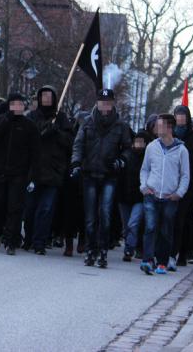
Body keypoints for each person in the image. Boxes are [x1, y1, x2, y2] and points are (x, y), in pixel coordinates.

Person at [71, 89, 132, 268]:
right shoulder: (88, 122)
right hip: (89, 173)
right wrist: (76, 163)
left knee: (105, 214)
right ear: (97, 103)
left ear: (113, 104)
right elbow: (78, 144)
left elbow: (128, 148)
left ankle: (103, 250)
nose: (105, 106)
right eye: (102, 102)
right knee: (90, 217)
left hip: (109, 175)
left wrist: (121, 160)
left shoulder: (120, 125)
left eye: (108, 102)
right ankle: (91, 249)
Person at [0, 92, 40, 255]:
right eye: (14, 104)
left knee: (14, 207)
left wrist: (32, 176)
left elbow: (35, 152)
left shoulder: (29, 125)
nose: (17, 107)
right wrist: (6, 119)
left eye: (20, 104)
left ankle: (11, 239)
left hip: (19, 173)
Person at [24, 86, 72, 255]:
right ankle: (28, 238)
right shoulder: (31, 117)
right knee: (29, 208)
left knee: (46, 209)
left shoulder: (61, 118)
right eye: (42, 95)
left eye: (48, 95)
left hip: (53, 171)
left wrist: (56, 131)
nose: (45, 98)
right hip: (33, 170)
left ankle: (40, 242)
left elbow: (68, 143)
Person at [139, 114, 190, 275]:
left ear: (169, 128)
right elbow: (145, 168)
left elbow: (185, 175)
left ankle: (162, 261)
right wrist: (144, 186)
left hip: (170, 197)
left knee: (166, 230)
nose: (156, 128)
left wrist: (179, 193)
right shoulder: (151, 147)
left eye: (160, 125)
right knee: (150, 227)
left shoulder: (182, 150)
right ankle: (147, 260)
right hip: (151, 193)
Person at [170, 105, 193, 269]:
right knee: (170, 219)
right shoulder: (170, 134)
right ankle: (168, 251)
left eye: (183, 115)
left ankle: (182, 253)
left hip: (189, 184)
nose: (181, 118)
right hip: (170, 181)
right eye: (178, 115)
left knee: (184, 221)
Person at [118, 130, 150, 261]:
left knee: (133, 224)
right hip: (124, 196)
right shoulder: (127, 155)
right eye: (137, 141)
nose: (138, 144)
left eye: (141, 142)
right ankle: (129, 245)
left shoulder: (148, 158)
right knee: (126, 226)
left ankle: (129, 249)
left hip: (139, 196)